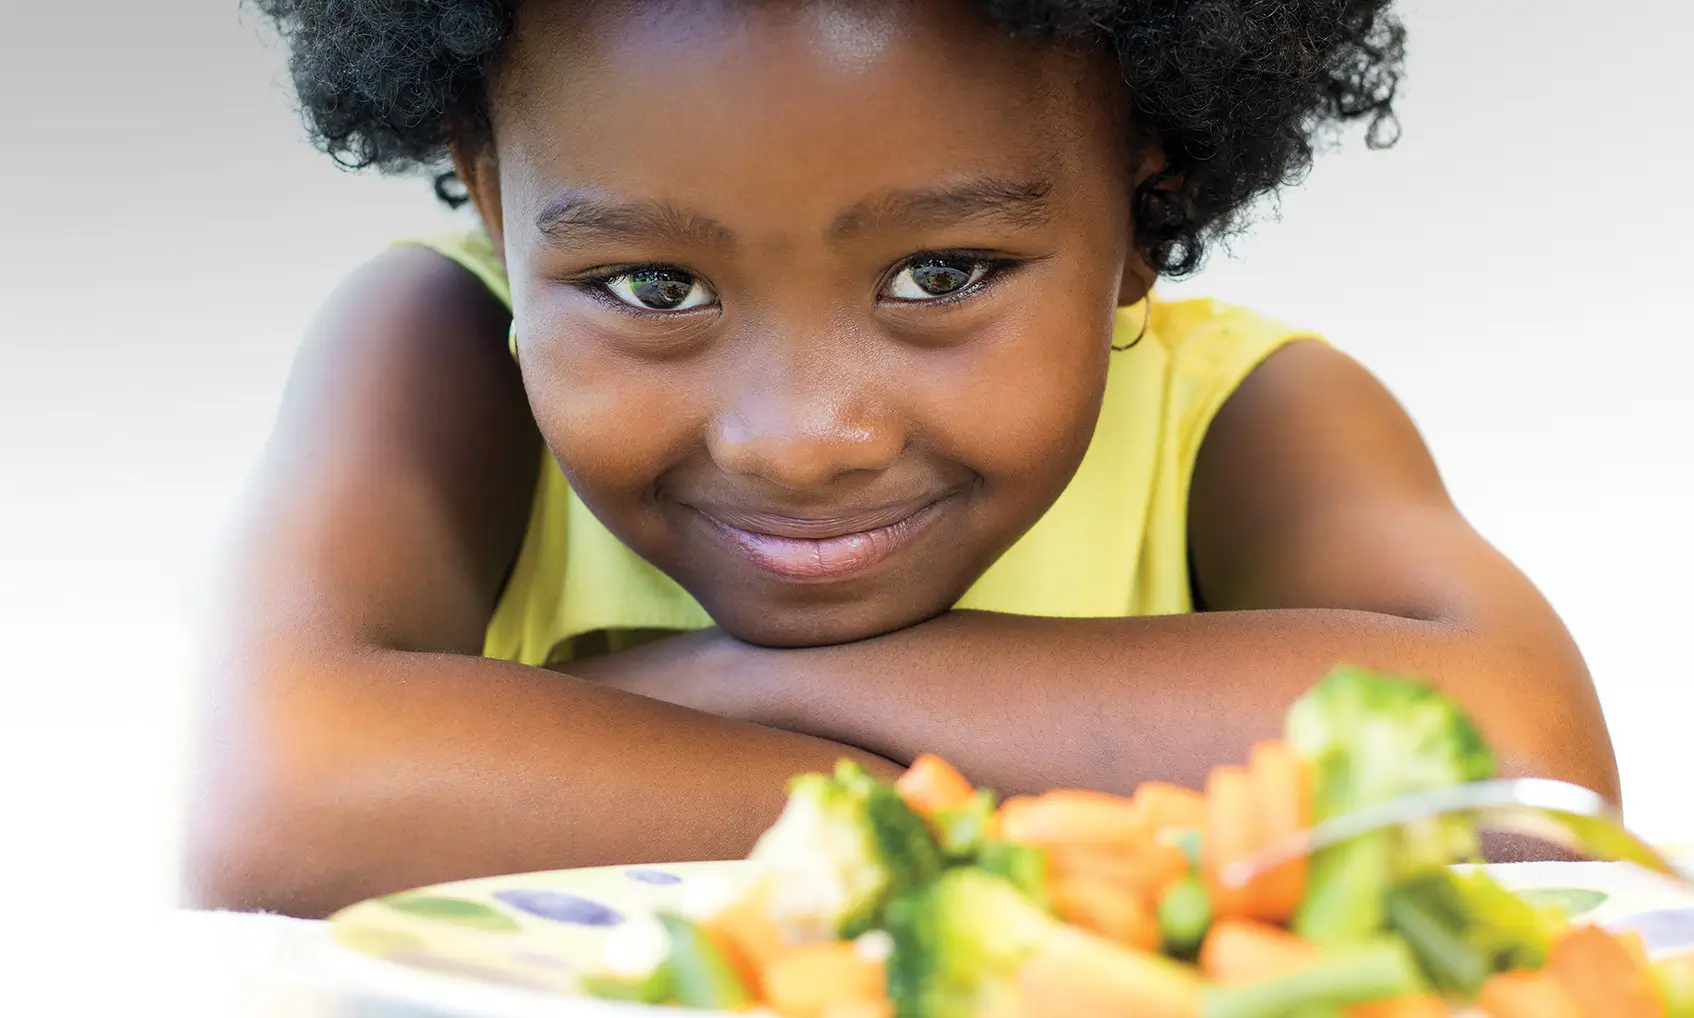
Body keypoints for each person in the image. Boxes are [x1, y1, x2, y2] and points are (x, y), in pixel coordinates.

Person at [186, 0, 1619, 918]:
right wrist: (1097, 822)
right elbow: (279, 802)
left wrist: (735, 687)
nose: (800, 440)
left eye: (940, 273)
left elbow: (1527, 782)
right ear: (499, 201)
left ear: (1147, 192)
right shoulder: (439, 342)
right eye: (655, 289)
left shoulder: (1244, 414)